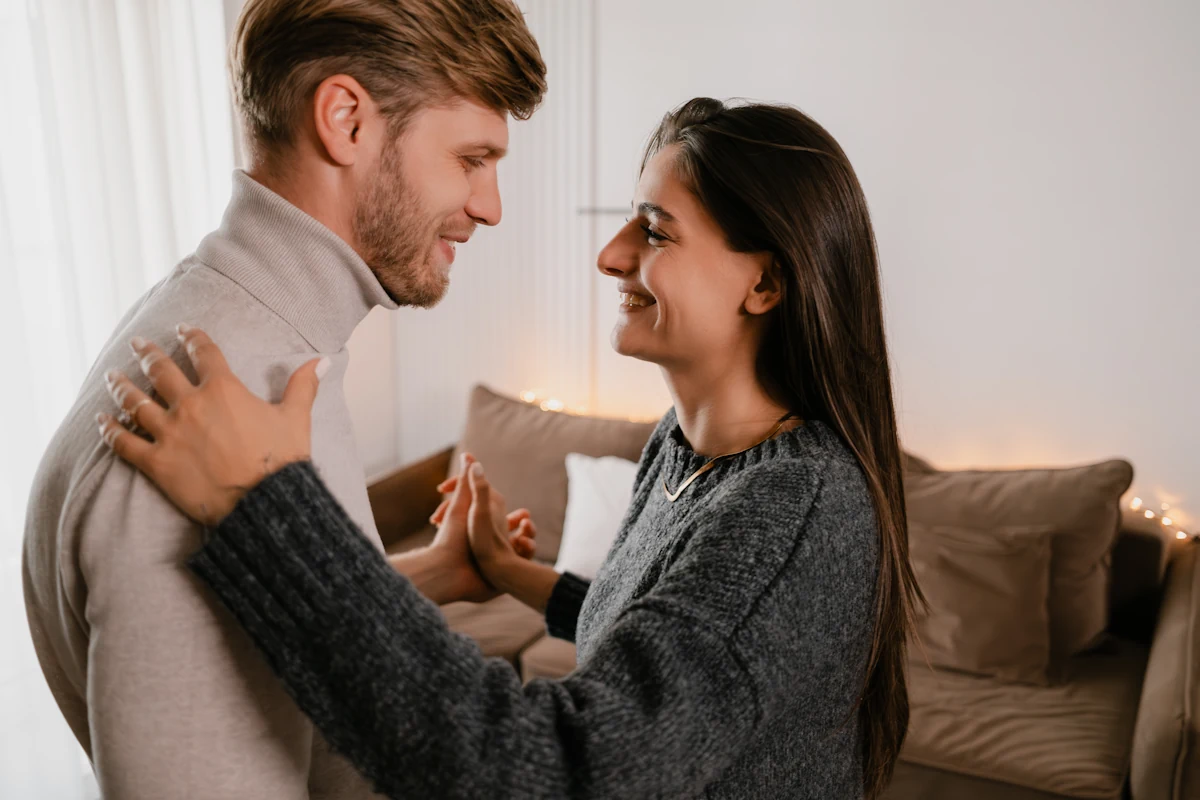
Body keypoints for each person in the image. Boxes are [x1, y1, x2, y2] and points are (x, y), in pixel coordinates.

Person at [100, 97, 924, 799]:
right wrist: (506, 573)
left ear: (766, 285)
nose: (611, 257)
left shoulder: (798, 510)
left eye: (656, 232)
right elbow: (669, 637)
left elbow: (556, 771)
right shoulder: (683, 448)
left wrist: (266, 503)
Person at [21, 1, 546, 797]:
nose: (490, 205)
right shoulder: (209, 409)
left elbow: (268, 643)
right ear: (345, 120)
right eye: (472, 158)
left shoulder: (243, 337)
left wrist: (425, 576)